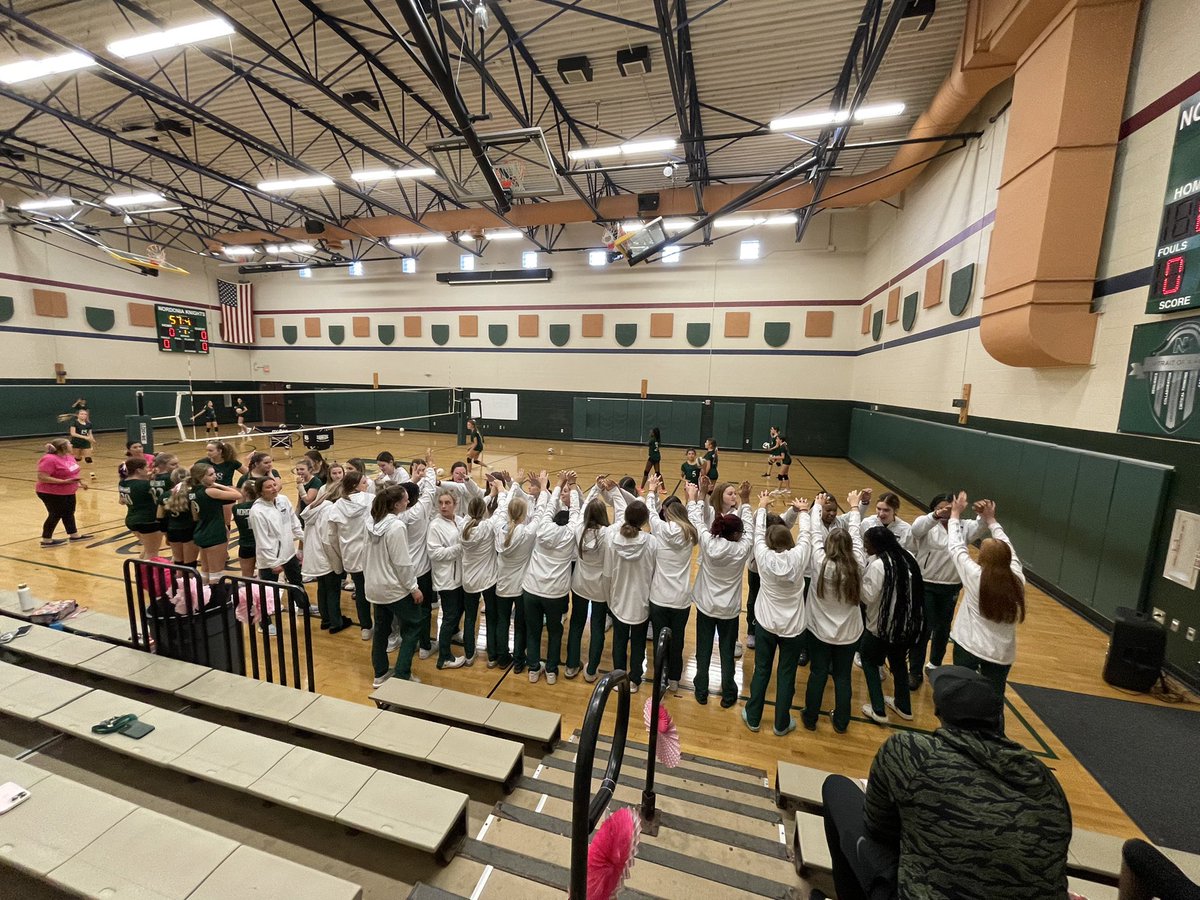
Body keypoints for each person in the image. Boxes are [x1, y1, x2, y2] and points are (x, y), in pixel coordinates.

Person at [819, 665, 1071, 900]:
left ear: (939, 714)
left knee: (836, 788)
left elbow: (877, 826)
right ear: (998, 719)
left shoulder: (911, 752)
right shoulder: (1044, 779)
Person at [743, 493, 812, 736]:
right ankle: (781, 723)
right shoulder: (800, 556)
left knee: (762, 670)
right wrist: (803, 511)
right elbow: (807, 535)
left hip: (766, 625)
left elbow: (757, 534)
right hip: (793, 628)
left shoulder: (762, 557)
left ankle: (753, 717)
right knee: (787, 674)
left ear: (768, 542)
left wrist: (761, 506)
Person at [948, 496, 1025, 705]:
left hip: (969, 647)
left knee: (960, 692)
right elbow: (1007, 545)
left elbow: (956, 546)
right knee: (994, 699)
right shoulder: (1017, 578)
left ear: (983, 558)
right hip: (1001, 653)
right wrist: (991, 521)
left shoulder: (975, 576)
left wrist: (955, 515)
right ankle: (993, 733)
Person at [909, 492, 986, 690]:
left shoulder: (963, 526)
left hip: (950, 586)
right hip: (925, 583)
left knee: (943, 628)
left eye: (950, 508)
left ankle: (935, 664)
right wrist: (935, 516)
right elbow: (916, 531)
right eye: (942, 508)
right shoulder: (926, 523)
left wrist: (982, 514)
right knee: (923, 628)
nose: (946, 511)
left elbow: (981, 527)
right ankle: (914, 671)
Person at [803, 491, 865, 733]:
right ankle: (841, 721)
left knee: (817, 673)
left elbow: (815, 535)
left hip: (819, 631)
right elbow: (858, 537)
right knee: (842, 677)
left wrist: (816, 509)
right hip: (849, 634)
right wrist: (854, 509)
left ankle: (810, 718)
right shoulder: (858, 564)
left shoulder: (821, 563)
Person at [686, 479, 753, 707]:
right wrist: (747, 502)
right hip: (729, 611)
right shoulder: (742, 549)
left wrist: (697, 497)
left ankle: (701, 689)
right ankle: (728, 693)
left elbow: (697, 521)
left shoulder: (709, 544)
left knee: (702, 650)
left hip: (706, 606)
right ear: (737, 534)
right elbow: (751, 531)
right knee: (727, 653)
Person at [859, 526, 924, 726]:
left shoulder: (880, 566)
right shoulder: (908, 559)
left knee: (869, 661)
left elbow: (868, 596)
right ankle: (903, 706)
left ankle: (878, 708)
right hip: (905, 625)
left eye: (867, 543)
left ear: (877, 545)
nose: (864, 546)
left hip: (882, 626)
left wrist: (858, 581)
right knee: (898, 663)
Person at [364, 485, 425, 687]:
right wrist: (413, 587)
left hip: (374, 586)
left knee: (381, 629)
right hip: (393, 588)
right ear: (397, 504)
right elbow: (402, 563)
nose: (409, 502)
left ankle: (380, 673)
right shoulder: (396, 527)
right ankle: (402, 675)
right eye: (406, 500)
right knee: (414, 624)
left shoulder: (371, 521)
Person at [522, 471, 580, 684]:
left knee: (534, 630)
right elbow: (575, 512)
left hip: (531, 589)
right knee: (555, 633)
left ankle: (534, 668)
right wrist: (572, 487)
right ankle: (552, 670)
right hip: (555, 594)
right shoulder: (570, 534)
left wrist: (555, 485)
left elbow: (546, 507)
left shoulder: (543, 528)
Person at [644, 475, 697, 693]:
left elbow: (649, 512)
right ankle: (674, 678)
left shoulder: (661, 531)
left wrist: (652, 490)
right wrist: (692, 498)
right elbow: (696, 518)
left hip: (659, 597)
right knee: (678, 641)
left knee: (659, 640)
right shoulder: (691, 534)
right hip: (681, 599)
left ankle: (660, 679)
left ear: (667, 514)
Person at [607, 492, 656, 693]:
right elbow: (653, 570)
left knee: (619, 641)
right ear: (645, 520)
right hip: (641, 601)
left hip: (618, 598)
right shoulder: (651, 542)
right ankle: (635, 678)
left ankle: (619, 677)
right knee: (637, 644)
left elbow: (608, 572)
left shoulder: (613, 539)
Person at [495, 478, 539, 672]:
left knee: (502, 622)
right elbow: (540, 517)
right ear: (523, 514)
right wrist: (544, 490)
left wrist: (512, 486)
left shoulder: (499, 529)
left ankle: (502, 658)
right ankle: (519, 662)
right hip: (521, 586)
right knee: (520, 625)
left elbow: (502, 507)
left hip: (502, 584)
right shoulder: (526, 532)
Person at [570, 479, 611, 681]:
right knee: (597, 628)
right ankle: (592, 670)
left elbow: (582, 506)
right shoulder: (608, 534)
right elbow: (621, 516)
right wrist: (607, 491)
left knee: (576, 624)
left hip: (579, 584)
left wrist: (594, 488)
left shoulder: (578, 529)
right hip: (600, 588)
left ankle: (570, 665)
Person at [397, 455, 437, 658]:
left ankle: (408, 643)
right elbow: (430, 489)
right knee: (424, 609)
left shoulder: (395, 515)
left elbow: (399, 492)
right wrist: (429, 468)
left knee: (407, 611)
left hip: (402, 570)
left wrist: (413, 478)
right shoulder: (420, 511)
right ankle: (424, 646)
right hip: (421, 569)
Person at [329, 469, 375, 640]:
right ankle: (380, 625)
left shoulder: (336, 507)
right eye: (364, 482)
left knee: (361, 591)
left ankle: (365, 627)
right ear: (355, 486)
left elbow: (331, 537)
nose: (367, 484)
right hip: (371, 554)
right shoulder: (370, 500)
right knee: (375, 591)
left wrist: (338, 555)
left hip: (351, 556)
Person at [301, 476, 351, 633]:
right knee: (332, 590)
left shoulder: (317, 507)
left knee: (322, 588)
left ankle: (326, 619)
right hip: (326, 555)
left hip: (314, 554)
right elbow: (329, 538)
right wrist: (338, 559)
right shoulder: (330, 510)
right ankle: (336, 622)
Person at [462, 486, 504, 667]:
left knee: (470, 618)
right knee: (492, 618)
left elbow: (475, 511)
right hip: (488, 580)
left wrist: (489, 496)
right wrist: (499, 493)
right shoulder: (488, 526)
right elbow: (501, 510)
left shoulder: (462, 525)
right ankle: (492, 656)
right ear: (484, 511)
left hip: (469, 581)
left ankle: (469, 654)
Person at [428, 487, 469, 670]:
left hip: (460, 577)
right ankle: (444, 657)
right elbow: (434, 552)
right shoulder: (435, 526)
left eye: (447, 503)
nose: (443, 507)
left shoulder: (459, 521)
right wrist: (458, 548)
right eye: (441, 503)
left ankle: (452, 634)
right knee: (449, 616)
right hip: (447, 579)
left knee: (459, 610)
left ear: (455, 504)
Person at [248, 476, 305, 601]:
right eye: (269, 487)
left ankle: (303, 607)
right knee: (269, 591)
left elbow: (294, 523)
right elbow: (262, 540)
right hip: (270, 559)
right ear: (260, 492)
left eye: (274, 485)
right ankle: (266, 618)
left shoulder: (283, 500)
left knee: (297, 582)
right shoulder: (257, 511)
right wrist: (273, 563)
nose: (274, 488)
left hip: (289, 554)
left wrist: (306, 538)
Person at [184, 462, 241, 584]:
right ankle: (215, 600)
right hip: (214, 532)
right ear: (201, 477)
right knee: (216, 572)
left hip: (200, 531)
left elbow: (195, 516)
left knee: (205, 570)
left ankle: (203, 597)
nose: (214, 476)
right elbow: (237, 494)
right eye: (210, 475)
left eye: (214, 473)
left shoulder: (191, 492)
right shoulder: (210, 491)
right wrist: (217, 485)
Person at [35, 438, 90, 546]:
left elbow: (73, 472)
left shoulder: (69, 457)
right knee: (55, 514)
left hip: (68, 491)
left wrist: (80, 482)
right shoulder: (49, 459)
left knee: (69, 512)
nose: (72, 444)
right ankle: (46, 539)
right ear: (63, 447)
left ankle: (74, 535)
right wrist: (63, 482)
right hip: (51, 492)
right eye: (69, 443)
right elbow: (42, 477)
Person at [118, 457, 161, 559]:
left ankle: (140, 573)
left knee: (147, 550)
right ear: (138, 470)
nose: (148, 470)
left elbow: (122, 501)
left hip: (131, 519)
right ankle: (147, 575)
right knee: (152, 553)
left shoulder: (122, 482)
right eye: (146, 467)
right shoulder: (145, 485)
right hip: (148, 520)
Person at [160, 467, 198, 568]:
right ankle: (189, 583)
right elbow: (195, 518)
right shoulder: (192, 495)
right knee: (190, 564)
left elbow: (160, 518)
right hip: (189, 531)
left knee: (178, 563)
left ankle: (178, 583)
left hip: (172, 531)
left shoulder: (165, 495)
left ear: (172, 479)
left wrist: (166, 535)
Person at [232, 480, 259, 577]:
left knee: (246, 577)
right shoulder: (261, 507)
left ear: (245, 492)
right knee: (264, 576)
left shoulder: (236, 508)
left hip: (245, 544)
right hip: (261, 544)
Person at [68, 407, 96, 474]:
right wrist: (84, 437)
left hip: (85, 443)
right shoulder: (74, 423)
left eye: (85, 414)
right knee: (77, 458)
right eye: (81, 414)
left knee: (88, 459)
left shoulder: (89, 424)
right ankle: (74, 472)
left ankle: (92, 474)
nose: (83, 415)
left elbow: (90, 433)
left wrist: (92, 440)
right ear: (78, 415)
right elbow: (73, 433)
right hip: (76, 442)